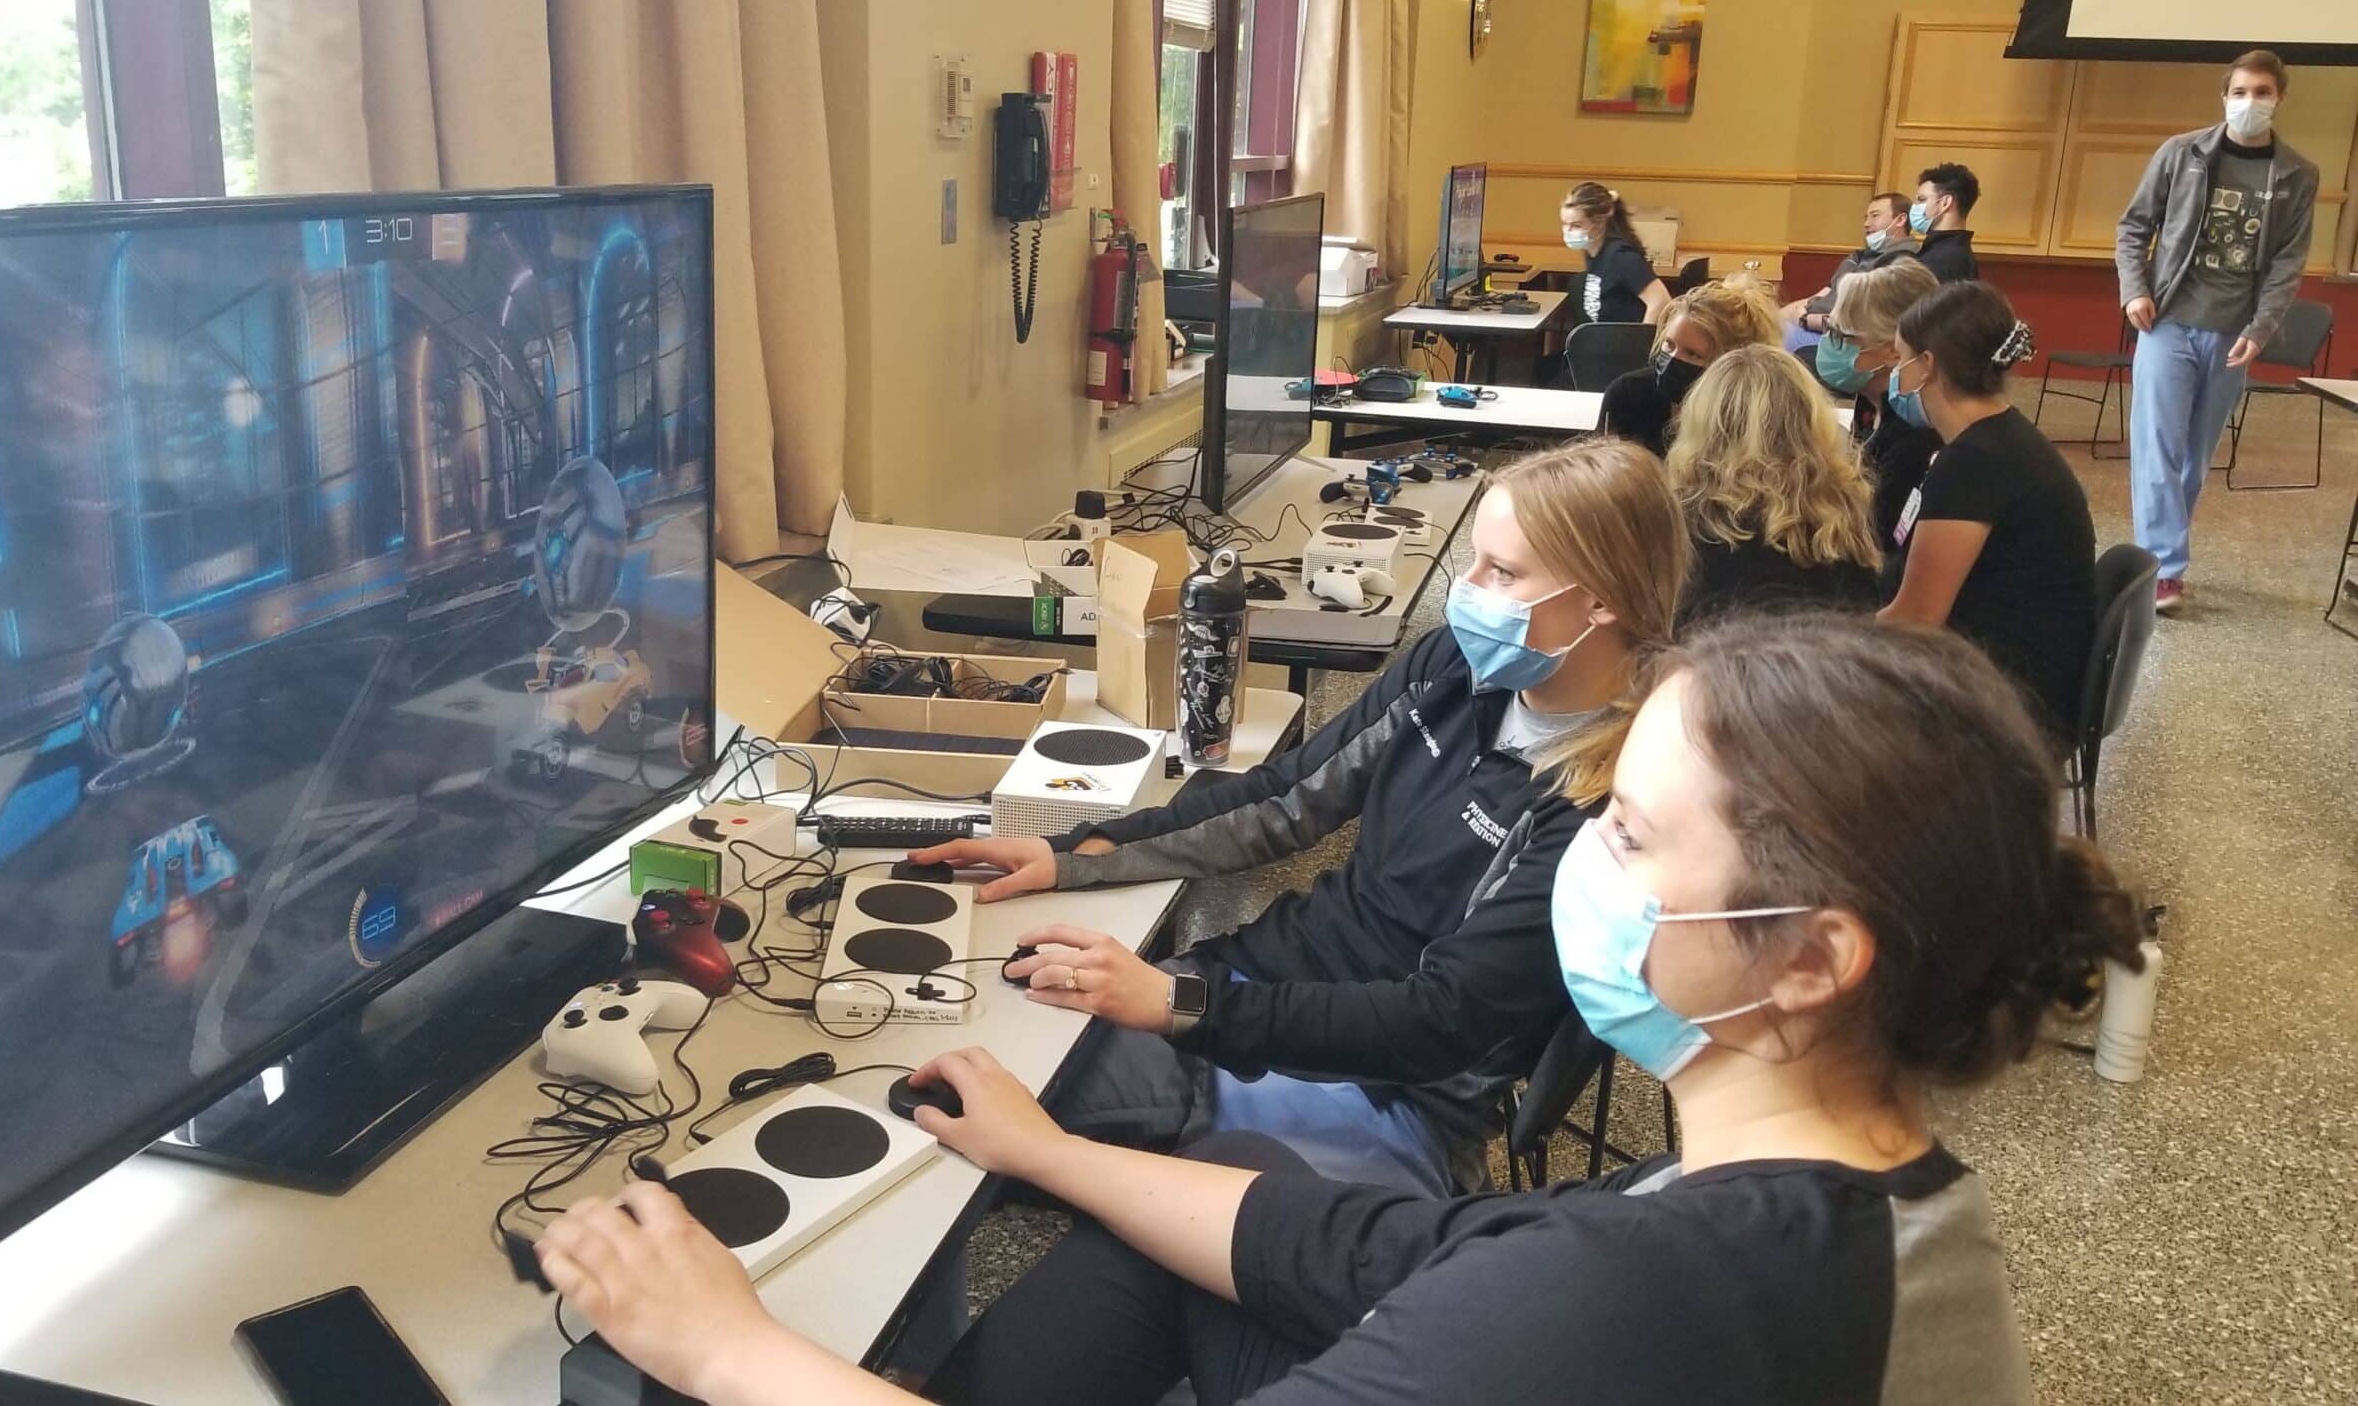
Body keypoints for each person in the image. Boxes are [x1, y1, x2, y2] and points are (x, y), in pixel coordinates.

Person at [535, 612, 2146, 1406]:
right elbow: (1383, 1246)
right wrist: (1048, 1152)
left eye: (1633, 832)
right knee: (1220, 1195)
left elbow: (1518, 1291)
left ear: (1808, 961)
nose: (1580, 850)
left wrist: (730, 1347)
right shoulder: (1851, 1200)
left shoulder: (1637, 1300)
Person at [895, 440, 1690, 1199]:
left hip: (1389, 1091)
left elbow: (1440, 1020)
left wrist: (1182, 1006)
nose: (1468, 590)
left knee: (968, 1125)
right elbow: (1288, 796)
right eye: (1474, 561)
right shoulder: (1453, 667)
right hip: (1260, 988)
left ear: (1601, 600)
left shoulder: (1611, 808)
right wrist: (1078, 854)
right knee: (959, 1064)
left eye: (1502, 572)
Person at [2116, 48, 2321, 615]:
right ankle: (2163, 569)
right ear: (2224, 96)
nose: (2250, 102)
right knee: (2157, 445)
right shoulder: (2181, 153)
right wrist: (2134, 289)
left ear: (2280, 98)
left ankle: (2161, 555)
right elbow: (2134, 227)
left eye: (2262, 92)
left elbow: (2287, 261)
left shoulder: (2298, 174)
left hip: (2234, 333)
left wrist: (2263, 327)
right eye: (2240, 92)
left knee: (2195, 455)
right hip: (2167, 322)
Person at [1879, 282, 2095, 744]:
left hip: (2011, 697)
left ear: (1927, 366)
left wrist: (1819, 642)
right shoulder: (1998, 439)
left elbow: (1915, 620)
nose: (1896, 372)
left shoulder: (1974, 464)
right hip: (2015, 671)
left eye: (1901, 358)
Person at [1667, 345, 1882, 626]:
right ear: (1809, 419)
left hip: (1717, 652)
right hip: (1831, 652)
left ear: (1702, 423)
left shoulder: (1682, 515)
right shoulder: (1844, 505)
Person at [1820, 257, 1944, 550]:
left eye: (1842, 335)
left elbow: (1875, 541)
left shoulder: (1916, 436)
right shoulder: (1872, 402)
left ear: (1892, 351)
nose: (1828, 343)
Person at [1598, 274, 1781, 454]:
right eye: (1669, 345)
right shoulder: (1627, 396)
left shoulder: (1753, 418)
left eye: (1693, 354)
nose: (1673, 359)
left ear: (1731, 363)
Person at [1781, 192, 1917, 351]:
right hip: (1810, 322)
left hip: (1836, 338)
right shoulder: (1860, 256)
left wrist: (1805, 319)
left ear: (1900, 220)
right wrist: (1783, 314)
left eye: (1875, 216)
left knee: (1771, 343)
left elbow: (1859, 322)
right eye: (1866, 217)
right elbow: (1827, 291)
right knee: (1765, 327)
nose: (1866, 224)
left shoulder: (1900, 264)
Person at [1561, 181, 1668, 326]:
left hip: (1625, 339)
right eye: (1565, 224)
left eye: (1576, 225)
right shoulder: (1593, 252)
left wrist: (1642, 337)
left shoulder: (1621, 256)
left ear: (1599, 223)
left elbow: (1661, 300)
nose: (1568, 231)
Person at [1908, 163, 1982, 283]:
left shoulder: (1941, 259)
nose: (1915, 206)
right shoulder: (1955, 252)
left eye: (1922, 199)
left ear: (1945, 203)